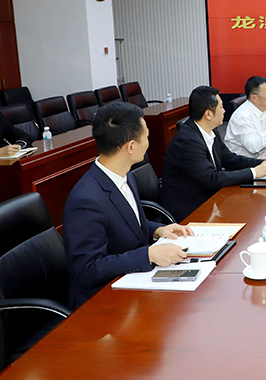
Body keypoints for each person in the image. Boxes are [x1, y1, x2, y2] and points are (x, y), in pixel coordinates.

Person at [62, 102, 193, 309]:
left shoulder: (125, 175)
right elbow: (87, 270)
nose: (148, 143)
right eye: (146, 137)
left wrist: (157, 230)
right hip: (101, 303)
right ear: (131, 147)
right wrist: (148, 255)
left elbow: (127, 222)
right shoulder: (86, 200)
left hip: (130, 283)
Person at [161, 86, 266, 222]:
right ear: (208, 114)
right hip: (190, 210)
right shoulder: (187, 141)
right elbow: (212, 179)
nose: (224, 111)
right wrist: (254, 172)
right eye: (221, 107)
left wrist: (262, 163)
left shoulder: (211, 130)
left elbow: (229, 159)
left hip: (210, 199)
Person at [224, 75, 266, 157]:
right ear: (254, 98)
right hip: (244, 161)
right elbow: (253, 147)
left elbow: (259, 134)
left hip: (262, 155)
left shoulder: (264, 108)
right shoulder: (242, 116)